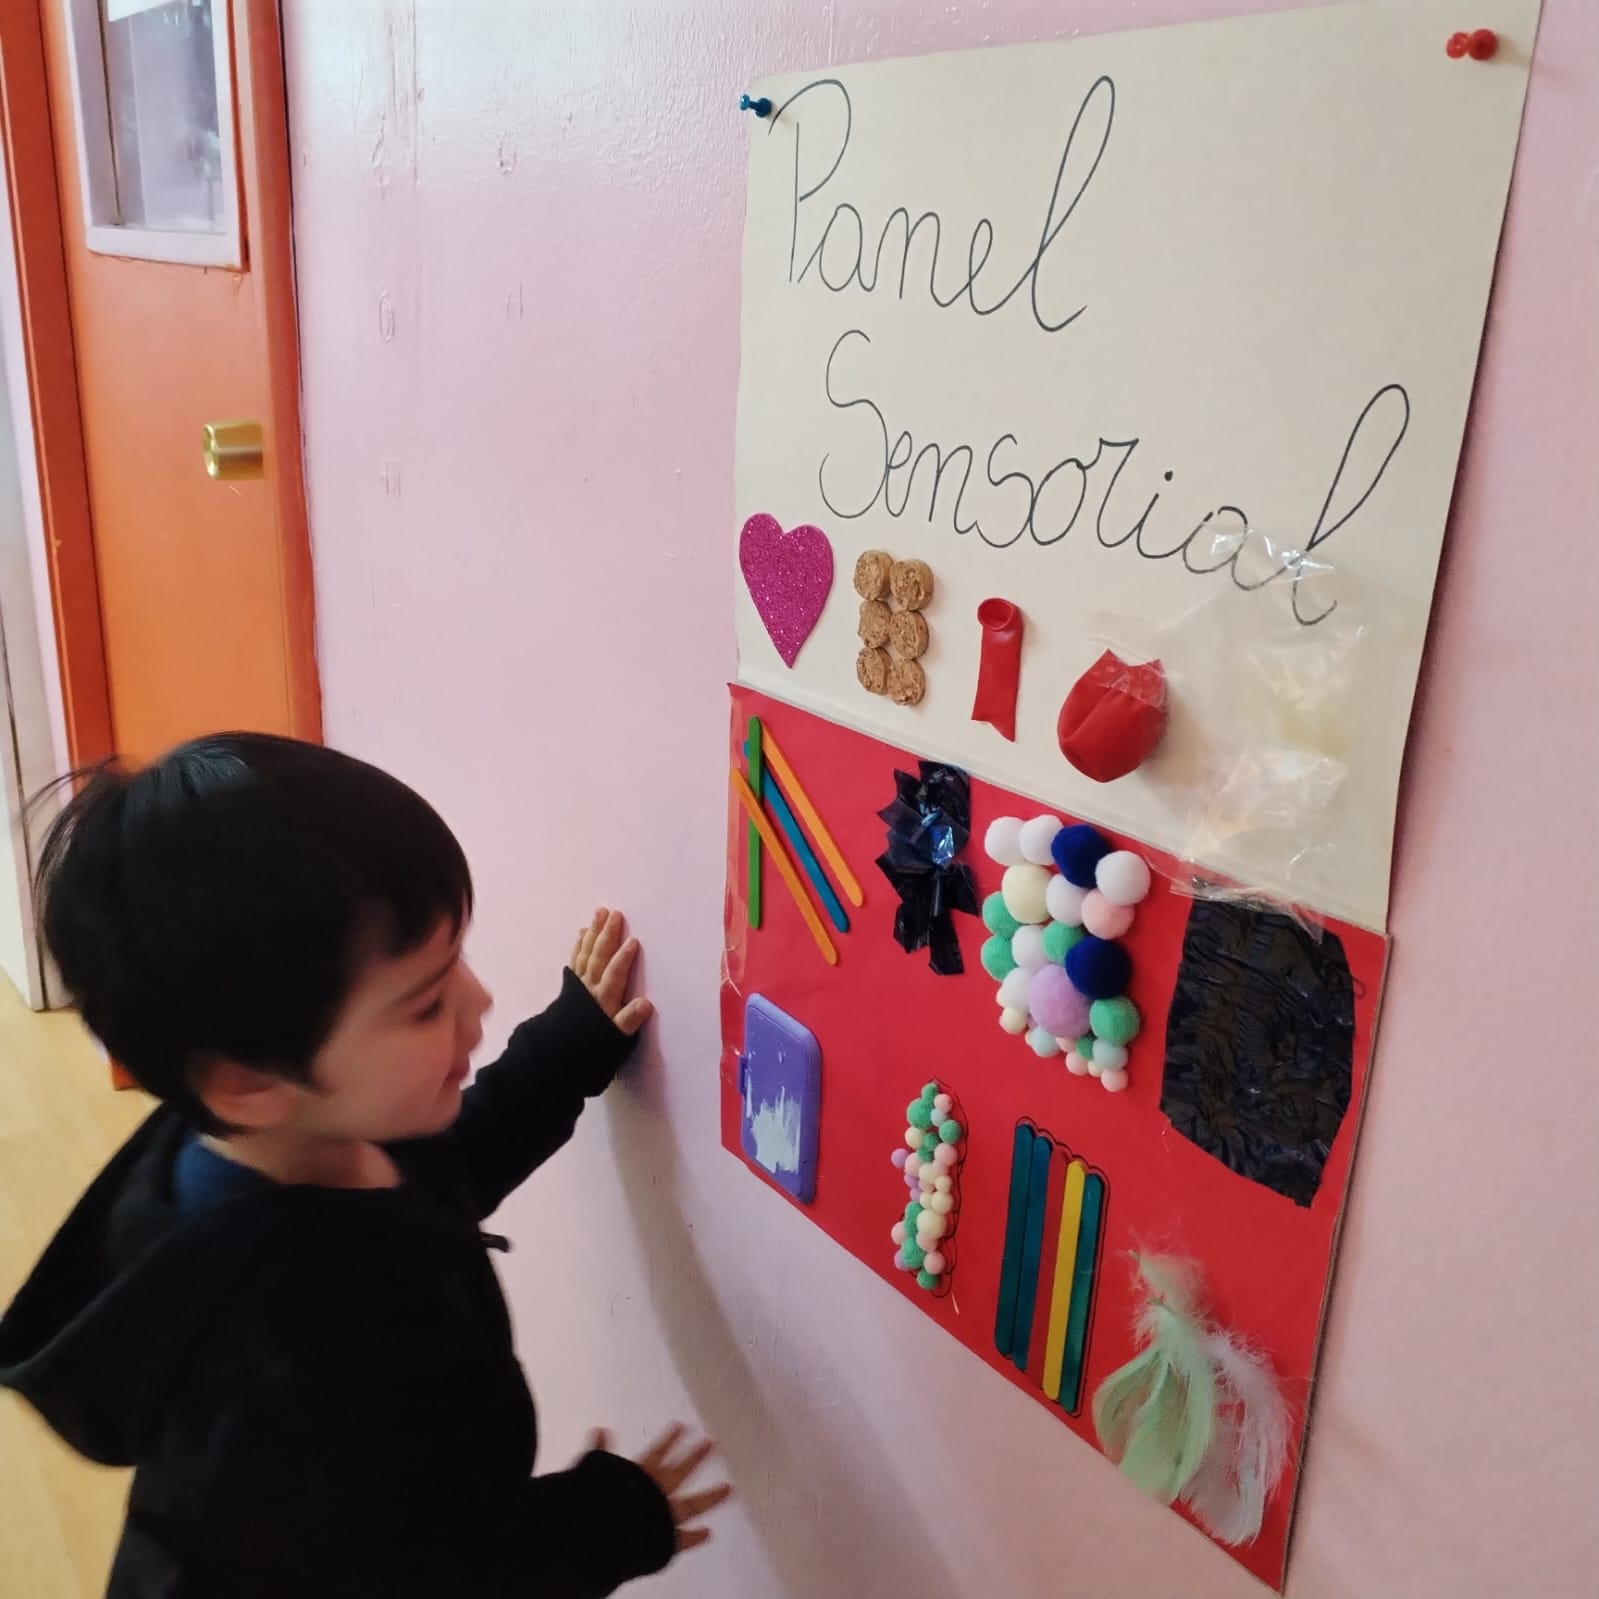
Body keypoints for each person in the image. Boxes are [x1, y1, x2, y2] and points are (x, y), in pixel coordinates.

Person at [0, 733, 731, 1598]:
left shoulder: (298, 1136)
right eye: (426, 1003)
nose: (479, 1000)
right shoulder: (299, 1356)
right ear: (248, 1082)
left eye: (456, 961)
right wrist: (607, 1521)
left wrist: (569, 1044)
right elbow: (433, 1569)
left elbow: (446, 1165)